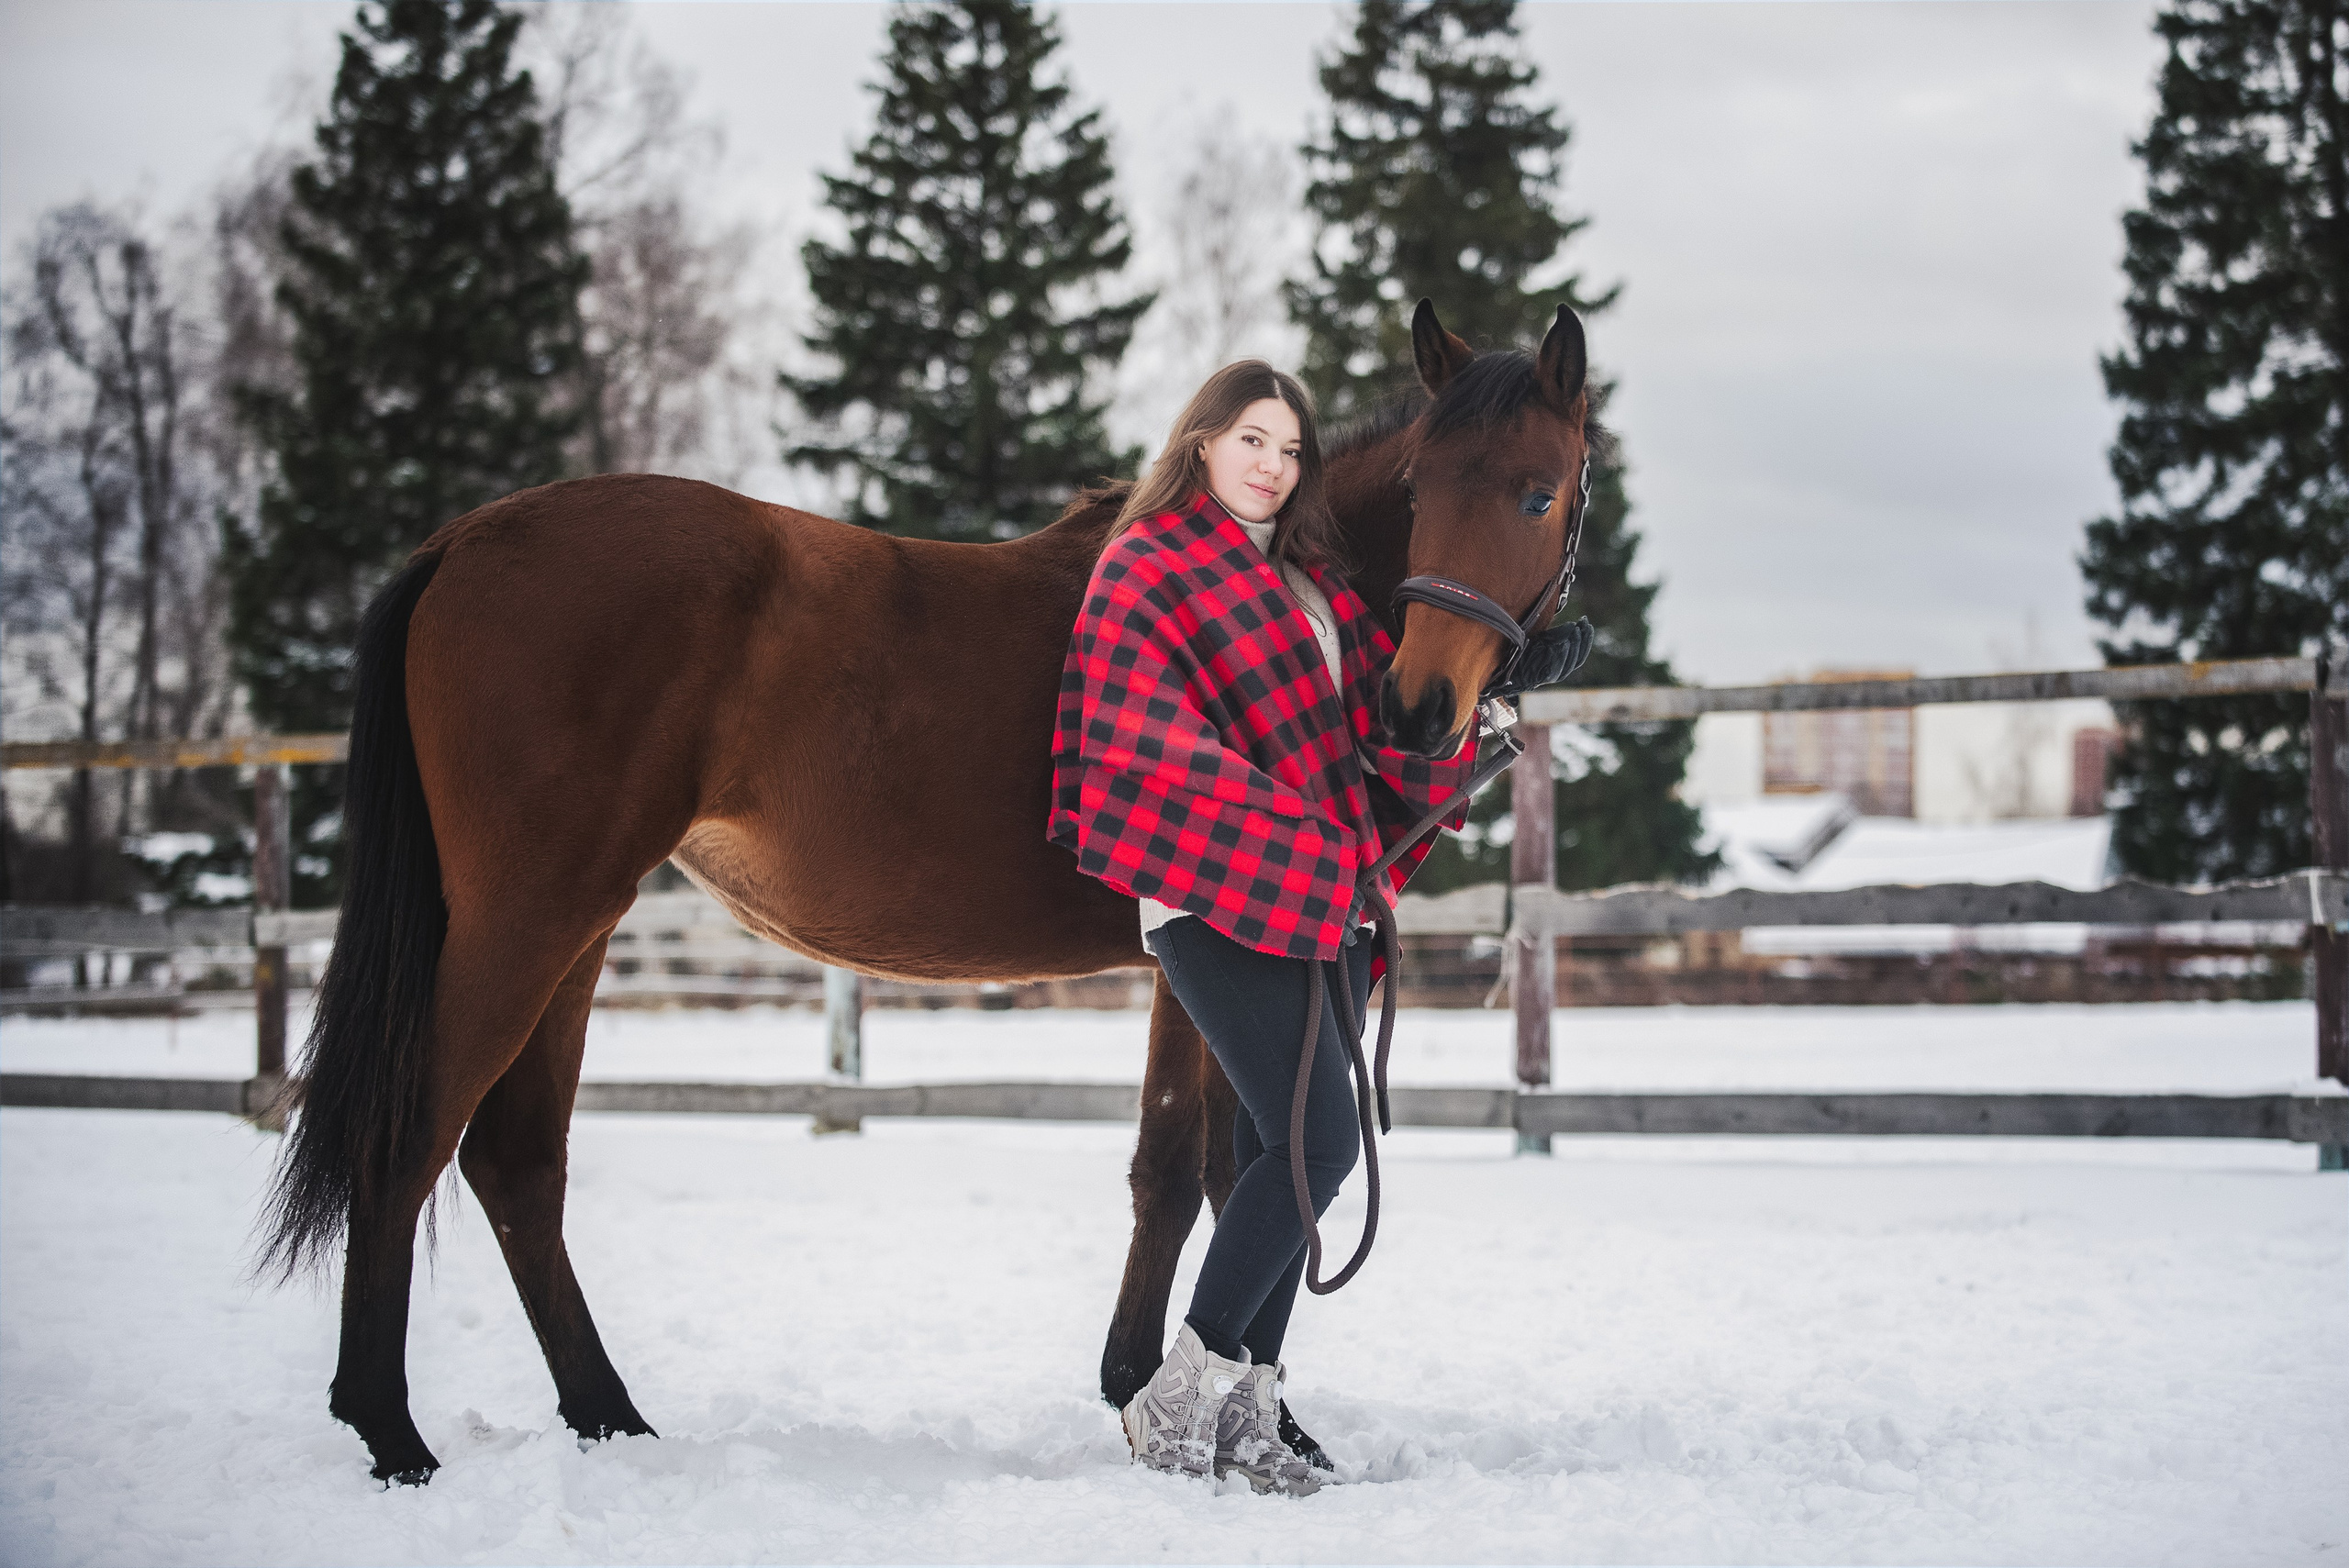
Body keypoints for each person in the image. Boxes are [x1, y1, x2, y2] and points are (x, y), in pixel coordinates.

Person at [1047, 361, 1477, 1495]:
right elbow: (1143, 735)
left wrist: (1494, 692)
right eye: (1251, 439)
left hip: (1318, 897)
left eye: (1290, 450)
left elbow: (1375, 730)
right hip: (1212, 889)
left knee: (1270, 1149)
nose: (1272, 466)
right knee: (1316, 1145)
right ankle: (1175, 1393)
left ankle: (1247, 1406)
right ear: (1201, 441)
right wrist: (1298, 830)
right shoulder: (1146, 564)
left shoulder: (1309, 581)